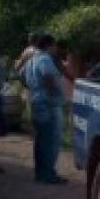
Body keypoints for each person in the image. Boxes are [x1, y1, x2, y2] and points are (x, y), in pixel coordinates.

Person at [23, 34, 67, 184]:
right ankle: (48, 173)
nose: (55, 49)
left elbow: (22, 76)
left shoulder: (31, 60)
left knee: (41, 140)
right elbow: (48, 76)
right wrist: (55, 92)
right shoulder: (44, 58)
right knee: (51, 140)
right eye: (54, 45)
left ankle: (41, 172)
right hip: (48, 104)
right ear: (49, 45)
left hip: (36, 101)